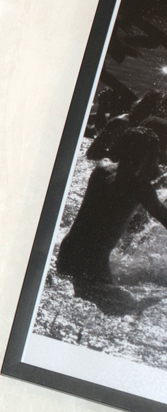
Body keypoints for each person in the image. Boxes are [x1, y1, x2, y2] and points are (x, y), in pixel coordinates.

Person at [56, 126, 167, 313]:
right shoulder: (140, 187)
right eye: (155, 154)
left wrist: (156, 184)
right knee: (110, 313)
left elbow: (119, 193)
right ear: (145, 156)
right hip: (93, 263)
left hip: (68, 251)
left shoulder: (102, 167)